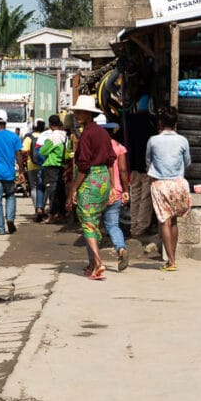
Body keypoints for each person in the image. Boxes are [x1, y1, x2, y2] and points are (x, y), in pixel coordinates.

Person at [65, 96, 116, 280]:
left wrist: (73, 190)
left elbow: (84, 166)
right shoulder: (103, 133)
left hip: (91, 179)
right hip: (103, 179)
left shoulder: (87, 134)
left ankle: (98, 262)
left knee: (88, 222)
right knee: (94, 221)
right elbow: (111, 159)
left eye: (80, 112)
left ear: (89, 114)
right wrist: (112, 186)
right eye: (76, 112)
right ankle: (93, 265)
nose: (77, 115)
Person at [146, 106, 192, 271]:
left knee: (164, 221)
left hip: (161, 183)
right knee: (174, 220)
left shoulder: (153, 140)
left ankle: (171, 260)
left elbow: (148, 161)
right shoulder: (183, 140)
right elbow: (187, 162)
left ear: (160, 123)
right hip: (179, 183)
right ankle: (173, 257)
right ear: (175, 123)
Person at [98, 116, 130, 271]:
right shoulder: (119, 147)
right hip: (116, 191)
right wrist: (125, 190)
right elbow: (123, 170)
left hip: (97, 190)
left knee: (93, 225)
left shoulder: (95, 148)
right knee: (113, 225)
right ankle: (121, 249)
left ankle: (95, 261)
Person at [125, 98, 159, 237]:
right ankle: (141, 227)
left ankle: (133, 227)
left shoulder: (130, 121)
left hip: (133, 166)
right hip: (146, 168)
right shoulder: (152, 123)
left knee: (135, 197)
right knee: (145, 199)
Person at [37, 115, 68, 224]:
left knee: (52, 192)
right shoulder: (64, 135)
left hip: (51, 167)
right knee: (60, 192)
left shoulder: (53, 137)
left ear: (50, 125)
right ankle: (62, 214)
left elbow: (42, 151)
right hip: (61, 166)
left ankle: (51, 215)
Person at [22, 119, 46, 221]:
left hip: (31, 165)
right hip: (44, 165)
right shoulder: (46, 136)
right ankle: (42, 207)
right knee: (43, 188)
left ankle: (37, 208)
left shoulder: (29, 137)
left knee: (33, 187)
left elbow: (23, 151)